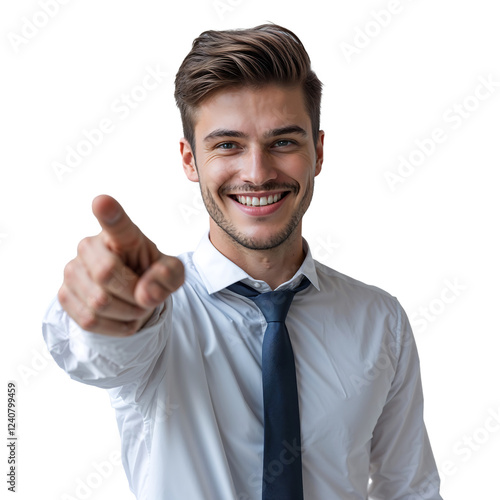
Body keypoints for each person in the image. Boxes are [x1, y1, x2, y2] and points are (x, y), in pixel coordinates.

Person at [42, 24, 442, 500]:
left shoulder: (380, 320)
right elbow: (100, 354)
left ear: (318, 152)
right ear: (190, 160)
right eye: (228, 145)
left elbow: (409, 488)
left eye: (284, 142)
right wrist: (109, 312)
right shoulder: (159, 313)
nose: (257, 173)